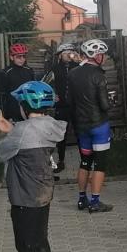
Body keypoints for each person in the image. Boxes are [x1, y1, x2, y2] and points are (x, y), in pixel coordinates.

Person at [0, 80, 68, 252]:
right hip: (42, 190)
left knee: (26, 245)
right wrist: (15, 128)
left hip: (25, 195)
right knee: (39, 241)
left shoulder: (21, 131)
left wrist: (8, 131)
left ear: (25, 106)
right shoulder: (50, 125)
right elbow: (29, 135)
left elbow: (2, 152)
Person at [67, 38, 112, 212]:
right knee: (100, 164)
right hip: (99, 125)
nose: (105, 57)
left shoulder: (72, 73)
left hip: (81, 125)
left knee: (85, 162)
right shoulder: (98, 75)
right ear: (97, 56)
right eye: (103, 54)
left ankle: (81, 199)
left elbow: (70, 101)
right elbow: (104, 105)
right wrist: (111, 101)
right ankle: (95, 202)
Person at [48, 42, 79, 180]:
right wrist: (52, 94)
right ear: (60, 55)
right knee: (61, 135)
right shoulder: (55, 69)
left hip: (76, 105)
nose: (69, 55)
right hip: (61, 106)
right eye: (66, 53)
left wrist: (79, 60)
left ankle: (86, 160)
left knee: (80, 132)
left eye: (71, 52)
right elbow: (45, 83)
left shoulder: (78, 67)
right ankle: (61, 161)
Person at [0, 43, 35, 125]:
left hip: (28, 111)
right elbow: (1, 95)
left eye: (24, 56)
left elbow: (33, 90)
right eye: (18, 57)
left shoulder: (29, 70)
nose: (22, 59)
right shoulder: (5, 73)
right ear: (11, 57)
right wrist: (4, 115)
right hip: (13, 112)